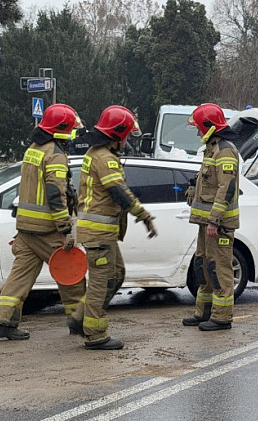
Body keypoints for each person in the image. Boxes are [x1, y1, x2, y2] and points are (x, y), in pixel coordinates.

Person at [0, 104, 86, 340]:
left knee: (19, 278)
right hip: (47, 229)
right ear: (62, 130)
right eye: (72, 131)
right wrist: (64, 226)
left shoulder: (33, 149)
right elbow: (55, 193)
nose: (74, 135)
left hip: (26, 228)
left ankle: (3, 321)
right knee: (71, 275)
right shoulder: (55, 154)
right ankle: (80, 322)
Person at [68, 105, 157, 350]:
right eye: (126, 134)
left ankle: (79, 319)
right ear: (117, 134)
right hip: (98, 234)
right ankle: (95, 334)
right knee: (101, 282)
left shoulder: (96, 153)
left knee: (116, 275)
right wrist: (144, 215)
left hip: (101, 232)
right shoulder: (105, 159)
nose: (127, 140)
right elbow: (119, 192)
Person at [182, 103, 241, 331]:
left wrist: (215, 220)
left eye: (198, 127)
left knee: (219, 269)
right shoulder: (212, 149)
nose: (197, 132)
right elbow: (209, 184)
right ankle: (204, 312)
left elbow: (225, 188)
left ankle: (222, 317)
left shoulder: (225, 150)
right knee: (203, 266)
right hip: (206, 223)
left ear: (208, 127)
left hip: (219, 224)